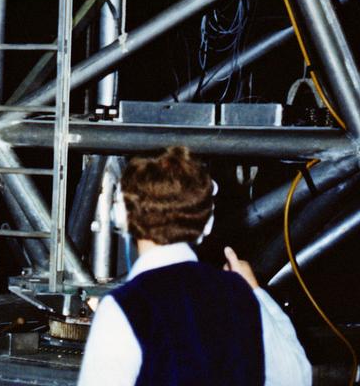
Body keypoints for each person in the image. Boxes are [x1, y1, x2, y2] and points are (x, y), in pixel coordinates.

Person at [77, 146, 312, 386]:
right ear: (207, 223)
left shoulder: (122, 308)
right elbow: (296, 377)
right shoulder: (240, 295)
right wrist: (255, 291)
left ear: (122, 217)